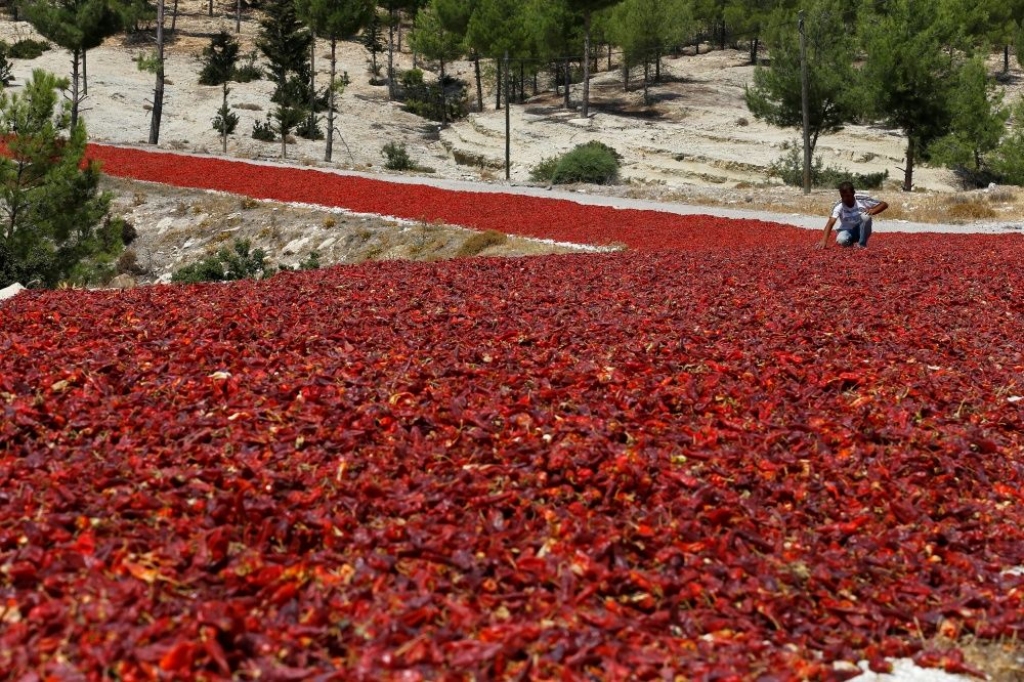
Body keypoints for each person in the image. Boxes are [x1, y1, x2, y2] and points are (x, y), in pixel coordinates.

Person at [818, 181, 888, 249]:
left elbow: (884, 204)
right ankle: (850, 245)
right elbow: (831, 222)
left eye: (848, 196)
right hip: (848, 231)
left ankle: (862, 245)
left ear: (853, 193)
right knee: (841, 240)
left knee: (865, 216)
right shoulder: (838, 205)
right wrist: (823, 240)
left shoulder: (861, 199)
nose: (845, 199)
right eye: (843, 196)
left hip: (861, 230)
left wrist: (873, 210)